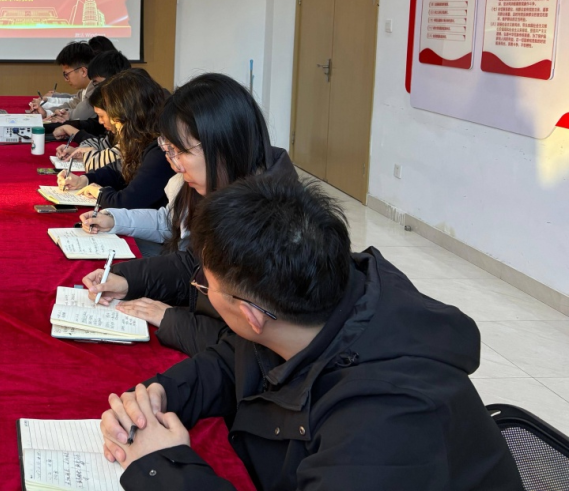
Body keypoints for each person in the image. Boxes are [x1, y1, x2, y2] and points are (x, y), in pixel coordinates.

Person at [98, 176, 524, 491]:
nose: (203, 291)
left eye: (205, 287)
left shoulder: (384, 424)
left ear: (252, 315)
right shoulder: (314, 296)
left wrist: (162, 467)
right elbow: (233, 362)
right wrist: (162, 395)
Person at [82, 73, 294, 354]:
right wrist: (127, 279)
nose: (175, 165)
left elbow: (261, 347)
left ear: (223, 144)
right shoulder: (215, 184)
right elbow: (194, 265)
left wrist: (171, 319)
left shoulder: (274, 226)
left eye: (180, 151)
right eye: (168, 150)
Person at [57, 68, 172, 210]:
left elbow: (129, 202)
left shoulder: (160, 149)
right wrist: (85, 180)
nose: (111, 122)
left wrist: (100, 193)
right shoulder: (140, 139)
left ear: (128, 114)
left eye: (114, 117)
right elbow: (122, 176)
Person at [53, 50, 131, 148]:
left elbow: (111, 151)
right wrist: (69, 127)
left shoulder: (129, 117)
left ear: (115, 80)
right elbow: (97, 128)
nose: (96, 88)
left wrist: (72, 131)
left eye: (97, 83)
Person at [29, 41, 94, 122]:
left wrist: (59, 114)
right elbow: (70, 105)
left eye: (66, 74)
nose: (65, 79)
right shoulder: (84, 89)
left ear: (83, 72)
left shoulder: (95, 90)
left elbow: (78, 115)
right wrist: (45, 113)